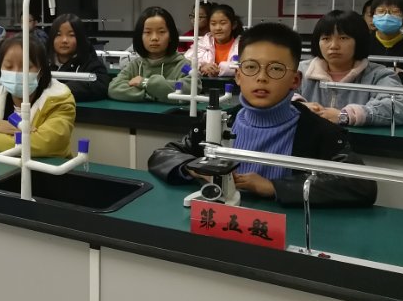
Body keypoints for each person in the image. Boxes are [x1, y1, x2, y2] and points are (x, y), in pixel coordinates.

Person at [148, 22, 376, 207]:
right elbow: (163, 155)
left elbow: (360, 184)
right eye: (251, 67)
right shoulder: (221, 122)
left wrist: (274, 187)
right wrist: (196, 168)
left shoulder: (318, 131)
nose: (261, 78)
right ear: (238, 76)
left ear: (295, 80)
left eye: (275, 69)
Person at [297, 10, 403, 127]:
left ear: (359, 41)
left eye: (343, 38)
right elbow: (285, 95)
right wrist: (298, 106)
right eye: (326, 38)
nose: (333, 46)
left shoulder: (378, 75)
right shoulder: (300, 70)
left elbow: (402, 106)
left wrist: (347, 115)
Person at [109, 7, 194, 103]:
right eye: (147, 32)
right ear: (140, 36)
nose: (154, 38)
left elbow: (189, 88)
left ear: (171, 35)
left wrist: (145, 83)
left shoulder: (183, 66)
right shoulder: (135, 65)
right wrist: (152, 95)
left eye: (161, 32)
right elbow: (114, 88)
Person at [48, 13, 110, 101]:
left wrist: (61, 89)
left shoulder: (91, 63)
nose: (64, 40)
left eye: (71, 35)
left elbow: (100, 86)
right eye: (58, 34)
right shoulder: (42, 62)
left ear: (80, 38)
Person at [367, 0, 403, 87]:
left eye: (395, 12)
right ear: (373, 15)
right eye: (381, 11)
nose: (386, 16)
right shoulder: (362, 42)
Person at [187, 4, 242, 77]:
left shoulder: (243, 45)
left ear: (233, 25)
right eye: (213, 24)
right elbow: (184, 65)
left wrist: (221, 69)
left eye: (223, 23)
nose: (218, 28)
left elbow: (247, 67)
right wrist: (200, 68)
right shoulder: (202, 44)